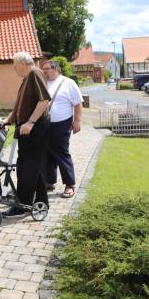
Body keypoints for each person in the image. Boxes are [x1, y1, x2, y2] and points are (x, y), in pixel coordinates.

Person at [2, 52, 51, 217]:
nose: (14, 69)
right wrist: (9, 119)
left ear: (22, 63)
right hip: (28, 128)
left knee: (25, 167)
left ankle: (22, 205)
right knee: (35, 166)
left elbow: (44, 100)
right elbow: (22, 103)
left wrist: (30, 122)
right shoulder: (27, 78)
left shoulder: (34, 73)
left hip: (33, 129)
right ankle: (42, 201)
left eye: (15, 65)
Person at [41, 60, 83, 198]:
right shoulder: (43, 82)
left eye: (46, 69)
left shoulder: (68, 83)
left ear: (56, 69)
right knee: (47, 153)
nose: (44, 71)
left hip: (62, 124)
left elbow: (78, 104)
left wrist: (77, 121)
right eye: (43, 69)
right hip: (45, 123)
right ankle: (49, 181)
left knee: (61, 153)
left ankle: (69, 184)